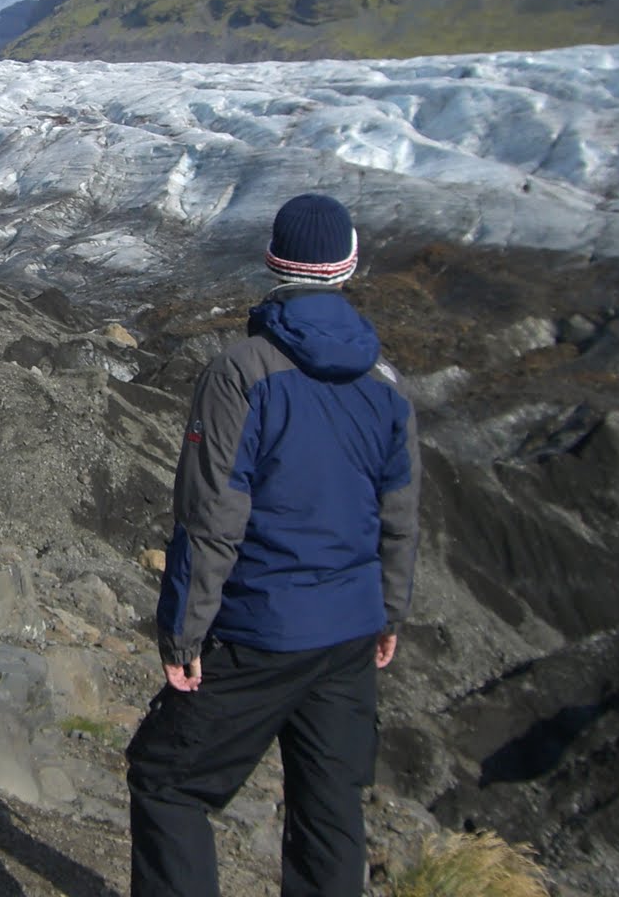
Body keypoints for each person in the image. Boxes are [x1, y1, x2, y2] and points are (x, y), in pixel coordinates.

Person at [127, 193, 421, 897]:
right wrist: (390, 612)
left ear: (274, 263)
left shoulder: (243, 371)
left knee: (168, 782)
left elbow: (211, 514)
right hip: (350, 631)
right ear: (349, 265)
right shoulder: (386, 386)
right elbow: (400, 513)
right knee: (329, 809)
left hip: (262, 627)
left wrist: (183, 633)